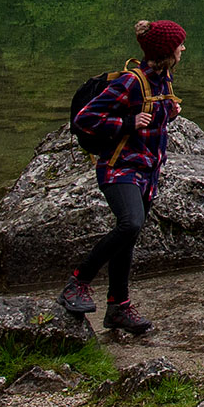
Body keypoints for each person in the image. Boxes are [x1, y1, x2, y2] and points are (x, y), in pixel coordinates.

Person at [60, 19, 187, 335]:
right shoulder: (132, 81)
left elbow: (156, 116)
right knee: (129, 223)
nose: (184, 48)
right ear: (166, 51)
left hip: (148, 171)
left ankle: (118, 307)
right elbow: (84, 119)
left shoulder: (163, 80)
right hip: (119, 168)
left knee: (128, 236)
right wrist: (128, 123)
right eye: (180, 44)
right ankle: (78, 282)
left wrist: (169, 111)